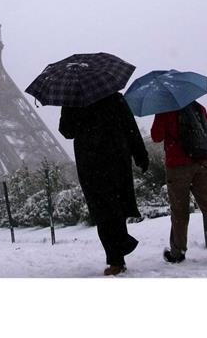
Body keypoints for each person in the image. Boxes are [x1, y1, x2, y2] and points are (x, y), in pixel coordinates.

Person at [58, 92, 149, 276]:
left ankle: (117, 256)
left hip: (91, 163)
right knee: (116, 206)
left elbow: (67, 131)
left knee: (103, 211)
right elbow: (130, 127)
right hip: (116, 159)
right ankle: (120, 250)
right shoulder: (115, 97)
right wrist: (140, 155)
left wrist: (72, 109)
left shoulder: (74, 100)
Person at [152, 100, 207, 263]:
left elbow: (156, 136)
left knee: (179, 209)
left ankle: (177, 252)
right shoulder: (199, 107)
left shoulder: (165, 109)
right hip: (201, 162)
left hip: (177, 165)